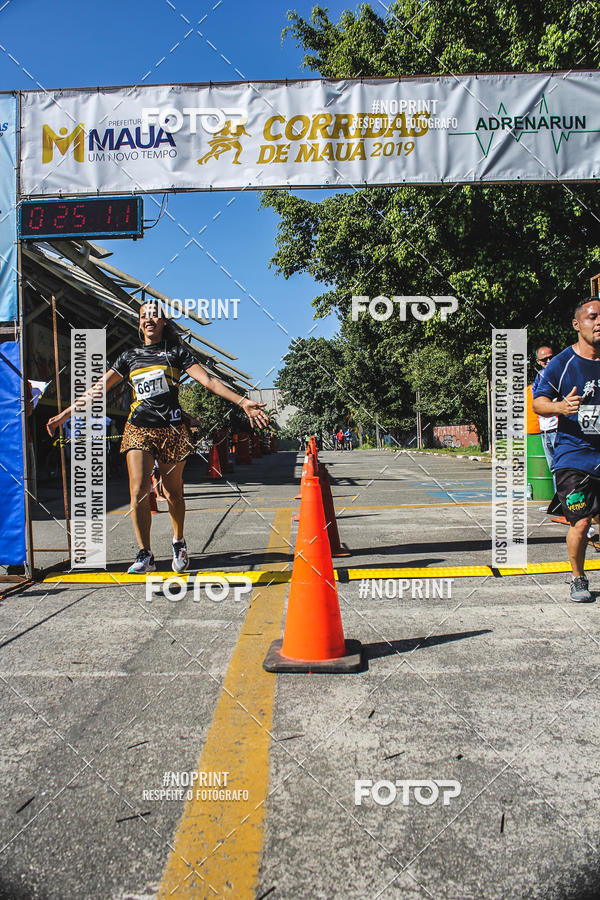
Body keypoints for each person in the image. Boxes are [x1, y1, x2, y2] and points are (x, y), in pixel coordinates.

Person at [47, 302, 268, 574]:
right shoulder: (129, 357)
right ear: (140, 324)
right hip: (138, 428)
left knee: (173, 492)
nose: (148, 319)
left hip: (172, 431)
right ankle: (145, 553)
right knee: (138, 491)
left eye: (154, 315)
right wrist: (65, 415)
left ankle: (178, 541)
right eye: (143, 316)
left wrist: (242, 401)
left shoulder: (177, 353)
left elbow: (208, 381)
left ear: (163, 321)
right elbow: (97, 389)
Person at [532, 297, 600, 602]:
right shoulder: (562, 362)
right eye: (592, 317)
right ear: (577, 324)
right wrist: (560, 406)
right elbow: (537, 402)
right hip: (573, 456)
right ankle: (577, 578)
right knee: (581, 520)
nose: (599, 323)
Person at [532, 345, 558, 479]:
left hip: (558, 429)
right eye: (544, 360)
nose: (548, 361)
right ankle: (558, 499)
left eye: (550, 358)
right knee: (553, 469)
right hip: (545, 430)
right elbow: (534, 400)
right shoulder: (539, 377)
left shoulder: (560, 373)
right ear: (538, 362)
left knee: (563, 469)